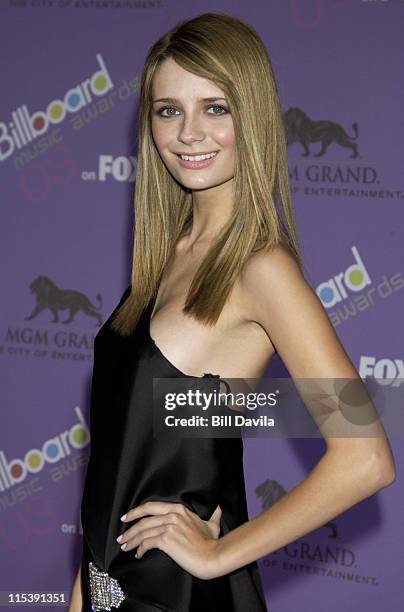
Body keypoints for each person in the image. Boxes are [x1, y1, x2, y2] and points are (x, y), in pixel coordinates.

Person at [68, 12, 396, 612]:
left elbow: (365, 457)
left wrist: (221, 553)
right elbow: (118, 461)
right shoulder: (163, 258)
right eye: (169, 110)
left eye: (215, 108)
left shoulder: (261, 270)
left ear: (254, 116)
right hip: (111, 589)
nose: (189, 132)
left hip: (183, 597)